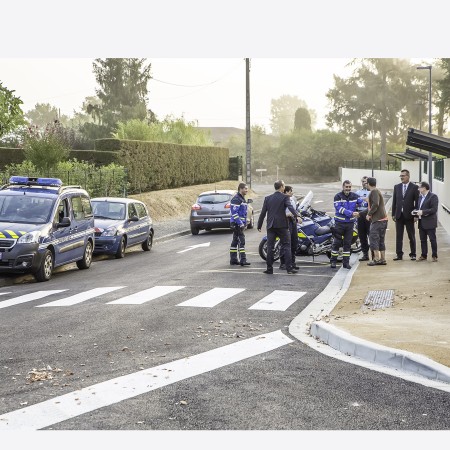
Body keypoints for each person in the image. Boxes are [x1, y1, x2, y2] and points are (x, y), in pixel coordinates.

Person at [257, 180, 300, 274]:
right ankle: (289, 268)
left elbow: (263, 213)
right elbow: (291, 208)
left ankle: (269, 269)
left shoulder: (268, 198)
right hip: (282, 225)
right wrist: (298, 216)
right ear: (281, 187)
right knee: (287, 246)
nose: (284, 188)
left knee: (270, 247)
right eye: (284, 186)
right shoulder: (285, 197)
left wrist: (259, 225)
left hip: (271, 225)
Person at [330, 180, 364, 270]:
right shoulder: (337, 196)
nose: (348, 189)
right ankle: (333, 261)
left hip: (350, 224)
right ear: (343, 187)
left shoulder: (354, 196)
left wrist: (368, 203)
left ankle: (346, 263)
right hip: (339, 223)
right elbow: (339, 208)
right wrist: (351, 213)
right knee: (336, 243)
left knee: (347, 244)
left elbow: (361, 202)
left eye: (349, 187)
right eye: (346, 187)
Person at [391, 169, 419, 261]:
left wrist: (416, 215)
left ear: (408, 176)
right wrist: (393, 214)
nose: (401, 177)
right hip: (399, 215)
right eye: (401, 176)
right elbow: (394, 201)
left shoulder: (414, 187)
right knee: (399, 236)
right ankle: (399, 254)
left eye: (403, 176)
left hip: (409, 215)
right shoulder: (397, 187)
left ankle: (413, 254)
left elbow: (417, 202)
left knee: (411, 235)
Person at [365, 177, 388, 266]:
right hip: (383, 219)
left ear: (368, 184)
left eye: (366, 183)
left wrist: (369, 214)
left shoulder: (374, 191)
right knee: (381, 239)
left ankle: (376, 259)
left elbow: (375, 204)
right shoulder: (377, 191)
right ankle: (382, 259)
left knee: (373, 238)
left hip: (378, 220)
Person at [414, 181, 439, 262]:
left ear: (424, 188)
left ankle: (434, 255)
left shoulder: (433, 196)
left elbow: (434, 209)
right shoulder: (420, 197)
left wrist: (423, 212)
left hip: (430, 222)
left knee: (432, 239)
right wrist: (416, 213)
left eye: (419, 187)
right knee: (423, 240)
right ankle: (423, 255)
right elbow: (418, 208)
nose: (418, 189)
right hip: (421, 222)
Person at [279, 185, 301, 270]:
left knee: (294, 242)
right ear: (287, 192)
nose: (292, 192)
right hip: (286, 221)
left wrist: (298, 216)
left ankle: (292, 262)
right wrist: (287, 215)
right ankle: (283, 263)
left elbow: (295, 209)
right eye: (291, 191)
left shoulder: (292, 199)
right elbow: (279, 213)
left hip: (293, 221)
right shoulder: (282, 200)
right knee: (285, 243)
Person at [229, 182, 251, 266]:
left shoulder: (241, 198)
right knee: (241, 241)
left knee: (235, 241)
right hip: (237, 224)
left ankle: (233, 260)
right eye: (245, 188)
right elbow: (234, 213)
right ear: (240, 189)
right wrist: (241, 223)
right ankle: (243, 260)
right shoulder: (236, 199)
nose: (247, 190)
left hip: (238, 223)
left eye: (247, 188)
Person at [355, 176, 371, 261]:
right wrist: (365, 201)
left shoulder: (371, 192)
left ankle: (374, 255)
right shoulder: (358, 192)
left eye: (365, 181)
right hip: (360, 215)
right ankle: (365, 254)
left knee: (371, 235)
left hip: (369, 215)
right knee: (362, 236)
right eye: (363, 181)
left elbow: (370, 203)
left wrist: (363, 201)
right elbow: (355, 203)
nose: (364, 183)